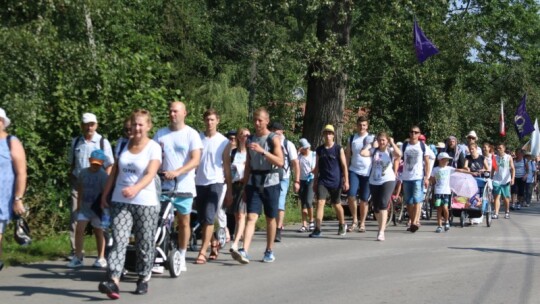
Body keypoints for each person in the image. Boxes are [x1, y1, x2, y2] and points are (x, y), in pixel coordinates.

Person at [98, 109, 162, 299]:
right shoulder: (123, 145)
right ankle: (114, 281)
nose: (137, 128)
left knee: (144, 243)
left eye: (141, 124)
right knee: (119, 241)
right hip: (120, 201)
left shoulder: (153, 147)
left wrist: (135, 188)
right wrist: (105, 194)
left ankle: (143, 277)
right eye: (134, 124)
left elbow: (151, 173)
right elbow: (115, 171)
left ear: (148, 126)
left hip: (146, 202)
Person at [154, 101, 202, 272]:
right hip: (165, 186)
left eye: (176, 111)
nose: (172, 114)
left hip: (184, 186)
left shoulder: (191, 134)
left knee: (183, 222)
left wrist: (177, 171)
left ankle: (181, 254)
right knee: (161, 222)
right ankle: (160, 256)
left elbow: (195, 160)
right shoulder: (160, 134)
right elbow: (154, 156)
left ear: (184, 113)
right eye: (170, 111)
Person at [230, 108, 283, 264]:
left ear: (267, 121)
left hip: (271, 181)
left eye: (260, 120)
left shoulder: (273, 139)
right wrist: (245, 185)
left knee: (270, 218)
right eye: (255, 120)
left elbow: (280, 162)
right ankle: (244, 250)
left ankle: (269, 250)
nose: (257, 123)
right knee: (251, 217)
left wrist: (262, 151)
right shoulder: (250, 139)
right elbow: (248, 165)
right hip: (254, 181)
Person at [68, 112, 114, 259]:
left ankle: (103, 252)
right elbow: (71, 163)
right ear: (82, 125)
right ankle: (76, 252)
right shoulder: (76, 142)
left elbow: (109, 164)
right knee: (75, 217)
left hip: (98, 186)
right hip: (78, 184)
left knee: (99, 220)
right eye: (86, 124)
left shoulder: (102, 142)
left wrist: (105, 185)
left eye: (92, 124)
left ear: (96, 125)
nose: (89, 127)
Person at [193, 109, 229, 264]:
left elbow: (226, 166)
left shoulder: (224, 141)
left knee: (208, 217)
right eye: (207, 119)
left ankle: (202, 252)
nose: (209, 122)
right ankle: (214, 242)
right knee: (202, 219)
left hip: (216, 182)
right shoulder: (197, 138)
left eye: (212, 120)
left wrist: (230, 191)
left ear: (217, 121)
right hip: (198, 182)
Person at [67, 149, 108, 268]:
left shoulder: (103, 175)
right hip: (85, 207)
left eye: (98, 164)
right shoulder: (83, 173)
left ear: (102, 163)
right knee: (79, 230)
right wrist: (79, 204)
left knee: (98, 232)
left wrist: (104, 208)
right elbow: (80, 187)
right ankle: (78, 256)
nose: (95, 166)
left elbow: (105, 192)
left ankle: (101, 257)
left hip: (97, 209)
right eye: (93, 163)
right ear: (89, 160)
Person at [309, 124, 349, 238]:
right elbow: (317, 167)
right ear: (323, 135)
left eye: (330, 133)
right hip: (323, 181)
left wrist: (346, 181)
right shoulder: (319, 150)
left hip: (336, 181)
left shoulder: (338, 149)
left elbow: (344, 165)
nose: (328, 135)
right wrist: (315, 181)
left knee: (336, 204)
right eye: (326, 133)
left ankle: (342, 224)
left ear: (333, 135)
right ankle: (317, 228)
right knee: (320, 202)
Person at [360, 132, 401, 241]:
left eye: (383, 140)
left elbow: (399, 154)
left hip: (388, 180)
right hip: (374, 181)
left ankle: (381, 231)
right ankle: (380, 226)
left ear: (386, 141)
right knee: (376, 208)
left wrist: (392, 143)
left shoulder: (390, 151)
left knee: (383, 204)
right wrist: (370, 144)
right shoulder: (374, 151)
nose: (381, 142)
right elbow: (363, 153)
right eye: (380, 140)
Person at [0, 108, 27, 271]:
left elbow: (21, 173)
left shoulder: (11, 141)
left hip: (3, 197)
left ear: (2, 122)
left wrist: (18, 198)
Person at [268, 121, 299, 242]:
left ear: (282, 132)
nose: (275, 134)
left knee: (280, 202)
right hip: (270, 176)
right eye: (273, 131)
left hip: (283, 177)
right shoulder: (268, 143)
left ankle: (278, 228)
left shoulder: (288, 144)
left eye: (277, 132)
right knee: (271, 202)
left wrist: (297, 180)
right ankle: (272, 225)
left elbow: (295, 163)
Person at [344, 116, 373, 233]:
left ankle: (362, 223)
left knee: (364, 199)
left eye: (364, 125)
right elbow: (347, 156)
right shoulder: (352, 139)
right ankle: (355, 220)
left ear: (367, 126)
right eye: (360, 125)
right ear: (357, 126)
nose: (362, 127)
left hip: (367, 172)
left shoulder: (371, 138)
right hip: (354, 170)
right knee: (351, 195)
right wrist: (344, 173)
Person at [401, 125, 431, 233]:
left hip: (418, 177)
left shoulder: (423, 146)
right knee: (409, 202)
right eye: (411, 132)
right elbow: (397, 158)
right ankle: (412, 220)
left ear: (419, 134)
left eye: (416, 132)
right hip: (406, 177)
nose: (413, 134)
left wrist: (427, 177)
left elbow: (427, 162)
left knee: (417, 200)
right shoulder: (404, 146)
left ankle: (414, 222)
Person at [226, 128, 250, 252]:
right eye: (243, 135)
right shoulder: (233, 152)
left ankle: (235, 243)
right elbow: (228, 169)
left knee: (241, 215)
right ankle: (243, 239)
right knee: (236, 216)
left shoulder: (250, 152)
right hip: (234, 185)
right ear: (239, 137)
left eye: (248, 135)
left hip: (245, 186)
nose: (245, 137)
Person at [430, 152, 467, 233]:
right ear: (441, 160)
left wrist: (471, 172)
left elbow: (459, 170)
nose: (447, 162)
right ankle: (439, 225)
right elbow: (432, 179)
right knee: (439, 209)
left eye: (448, 160)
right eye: (446, 160)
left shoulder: (449, 168)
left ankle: (446, 221)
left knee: (445, 208)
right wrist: (430, 181)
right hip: (437, 192)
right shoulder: (435, 169)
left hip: (446, 192)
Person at [297, 138, 316, 232]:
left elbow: (317, 167)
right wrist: (297, 152)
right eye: (305, 148)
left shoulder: (313, 154)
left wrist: (313, 171)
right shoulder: (299, 156)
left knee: (308, 201)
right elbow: (294, 164)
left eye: (308, 147)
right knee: (303, 203)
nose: (307, 149)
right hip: (301, 180)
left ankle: (311, 221)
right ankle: (304, 224)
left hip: (311, 179)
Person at [491, 143, 515, 219]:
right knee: (496, 197)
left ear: (504, 149)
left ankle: (507, 211)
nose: (498, 149)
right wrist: (491, 178)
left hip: (505, 180)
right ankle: (496, 213)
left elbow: (512, 168)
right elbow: (493, 169)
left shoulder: (508, 157)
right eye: (497, 148)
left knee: (506, 197)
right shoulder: (495, 157)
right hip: (496, 180)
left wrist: (512, 178)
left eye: (500, 148)